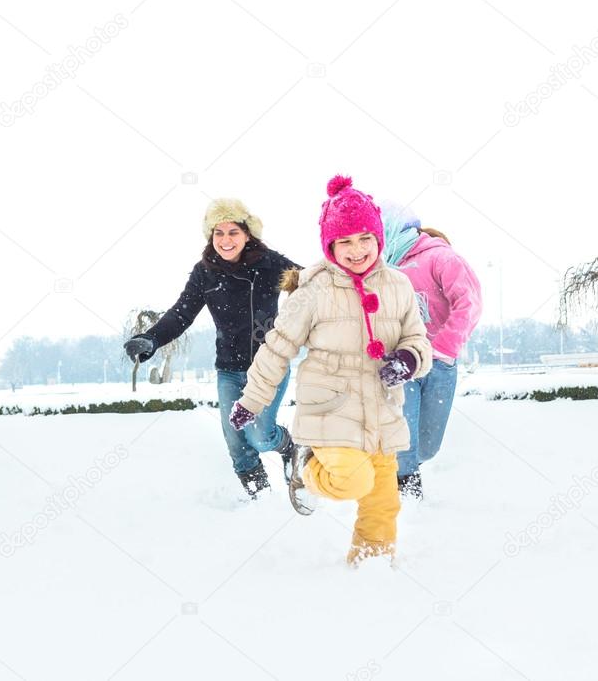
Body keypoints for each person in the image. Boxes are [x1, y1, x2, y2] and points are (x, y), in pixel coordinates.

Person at [230, 176, 432, 565]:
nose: (356, 251)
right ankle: (306, 468)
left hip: (382, 408)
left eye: (364, 239)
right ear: (330, 246)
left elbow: (419, 339)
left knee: (382, 504)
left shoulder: (399, 285)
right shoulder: (313, 291)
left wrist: (408, 359)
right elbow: (277, 349)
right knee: (351, 479)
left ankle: (370, 567)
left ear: (378, 238)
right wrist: (253, 400)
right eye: (345, 242)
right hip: (331, 407)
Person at [123, 198, 300, 498]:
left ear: (247, 234)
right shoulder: (205, 272)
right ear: (210, 236)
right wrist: (151, 339)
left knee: (259, 437)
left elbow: (311, 286)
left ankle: (288, 445)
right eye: (218, 233)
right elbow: (181, 313)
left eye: (233, 232)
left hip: (269, 367)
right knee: (236, 444)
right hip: (229, 370)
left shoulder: (270, 265)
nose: (225, 240)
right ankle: (261, 503)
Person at [379, 200, 482, 500]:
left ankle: (405, 470)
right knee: (405, 444)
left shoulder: (440, 258)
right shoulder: (384, 270)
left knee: (427, 446)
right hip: (403, 365)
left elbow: (469, 304)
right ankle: (407, 503)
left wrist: (444, 348)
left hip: (440, 365)